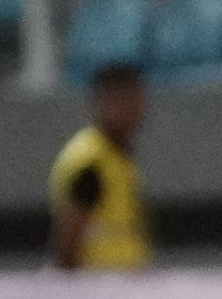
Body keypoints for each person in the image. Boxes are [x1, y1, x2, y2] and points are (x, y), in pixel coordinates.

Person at [47, 63, 152, 271]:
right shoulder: (91, 162)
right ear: (103, 103)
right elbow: (68, 240)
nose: (136, 110)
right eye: (125, 102)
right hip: (96, 282)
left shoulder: (117, 155)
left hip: (121, 280)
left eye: (137, 101)